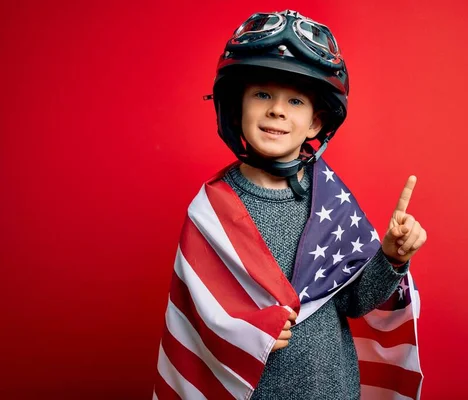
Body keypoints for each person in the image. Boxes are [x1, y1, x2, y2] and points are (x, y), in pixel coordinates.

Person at [154, 10, 426, 400]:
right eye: (262, 94)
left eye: (295, 100)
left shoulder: (331, 200)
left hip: (332, 391)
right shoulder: (209, 212)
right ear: (237, 106)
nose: (277, 110)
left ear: (316, 123)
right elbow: (196, 329)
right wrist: (248, 331)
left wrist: (390, 259)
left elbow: (355, 302)